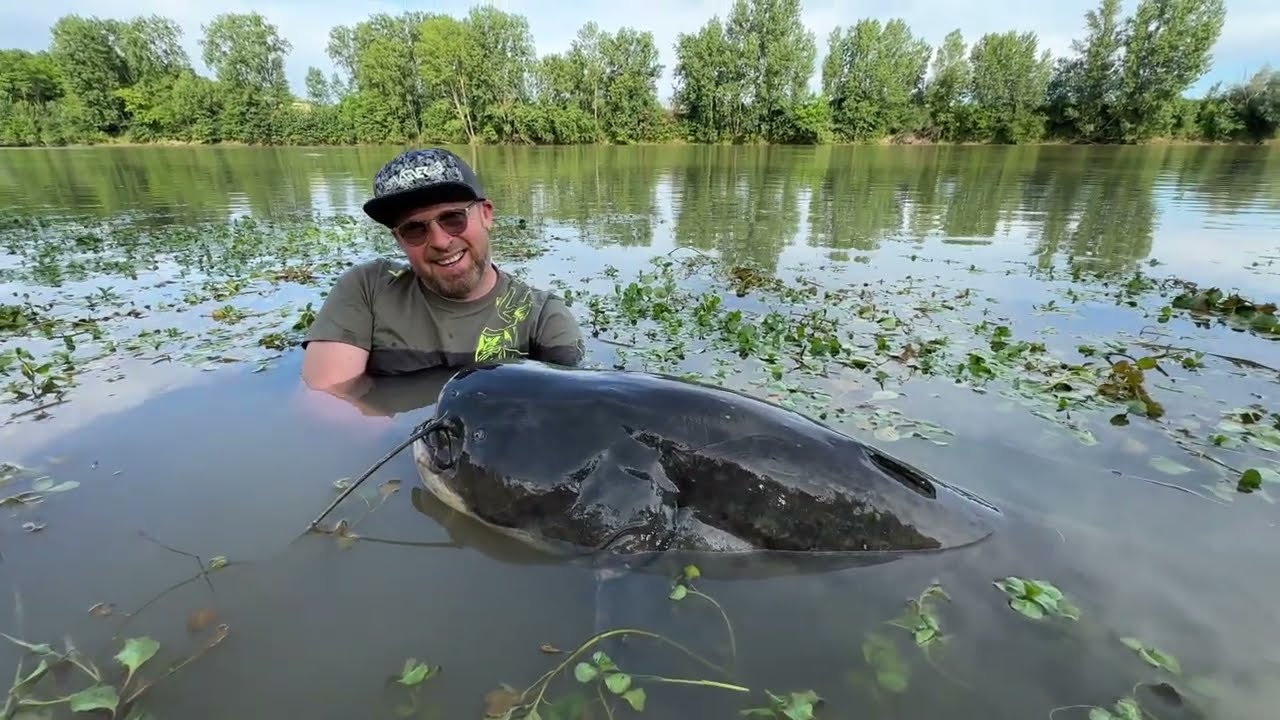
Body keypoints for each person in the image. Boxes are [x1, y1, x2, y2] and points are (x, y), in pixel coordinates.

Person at [300, 147, 586, 405]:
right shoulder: (367, 289)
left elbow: (573, 407)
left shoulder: (542, 317)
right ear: (399, 239)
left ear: (486, 214)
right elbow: (325, 401)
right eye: (414, 229)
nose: (439, 240)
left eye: (453, 218)